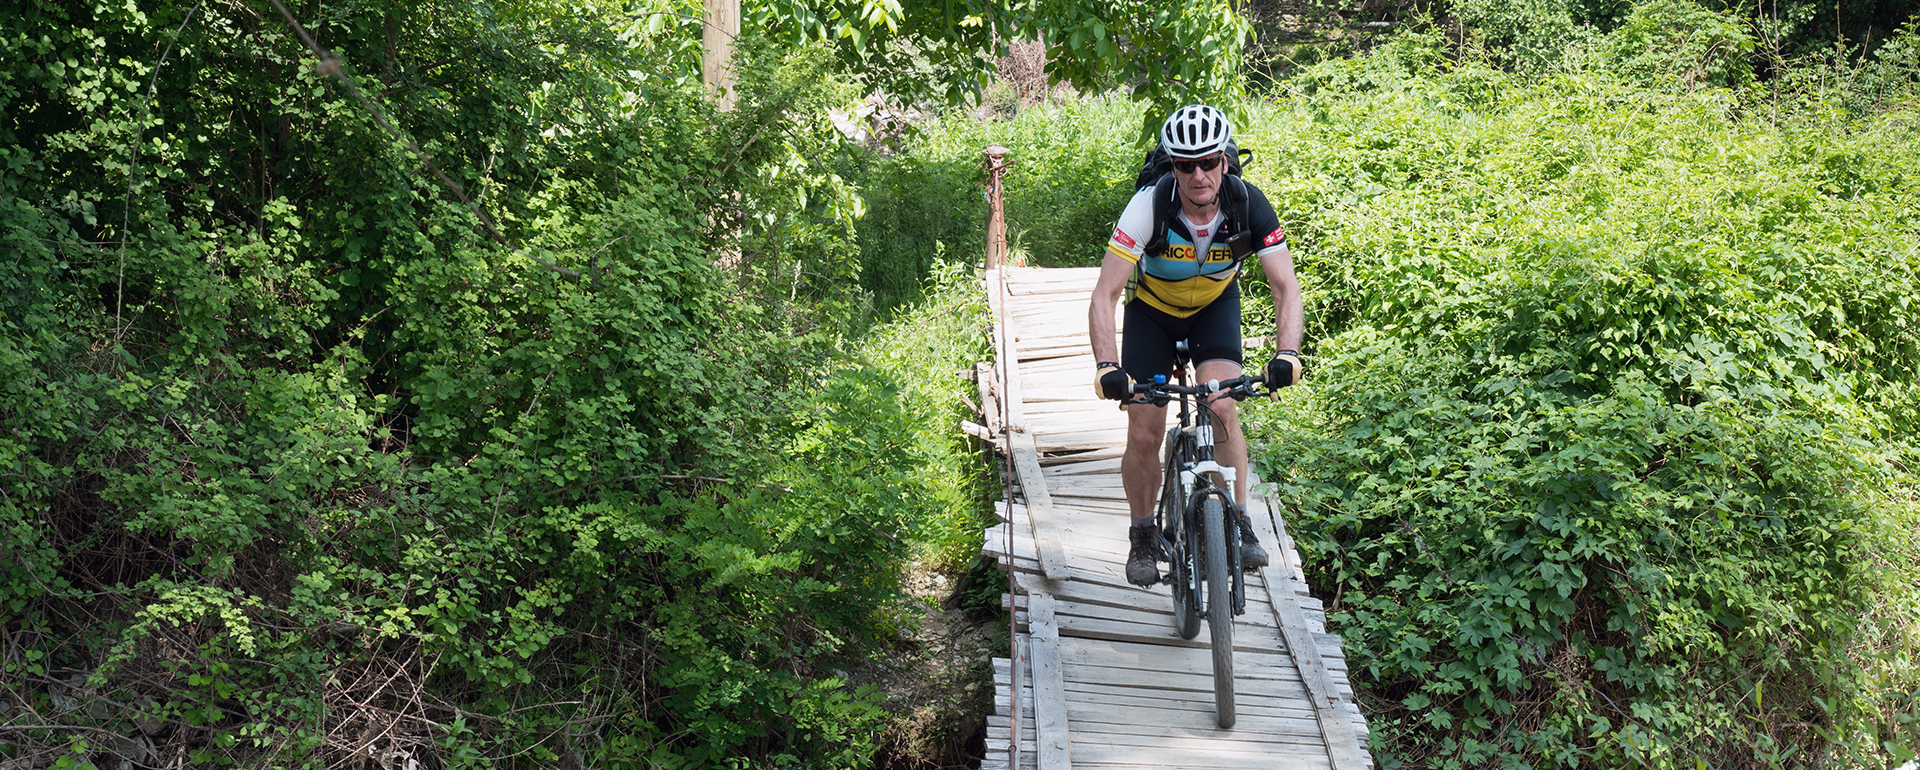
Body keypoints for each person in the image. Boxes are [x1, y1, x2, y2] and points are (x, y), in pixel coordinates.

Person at [1087, 104, 1305, 587]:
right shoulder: (1149, 206)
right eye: (1186, 165)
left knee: (1222, 404)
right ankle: (1143, 534)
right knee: (1144, 432)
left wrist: (1287, 353)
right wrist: (1107, 366)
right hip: (1152, 312)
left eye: (1208, 162)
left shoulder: (1248, 204)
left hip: (1214, 306)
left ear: (1224, 162)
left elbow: (1285, 286)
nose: (1199, 175)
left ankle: (1240, 520)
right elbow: (1105, 294)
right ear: (1173, 167)